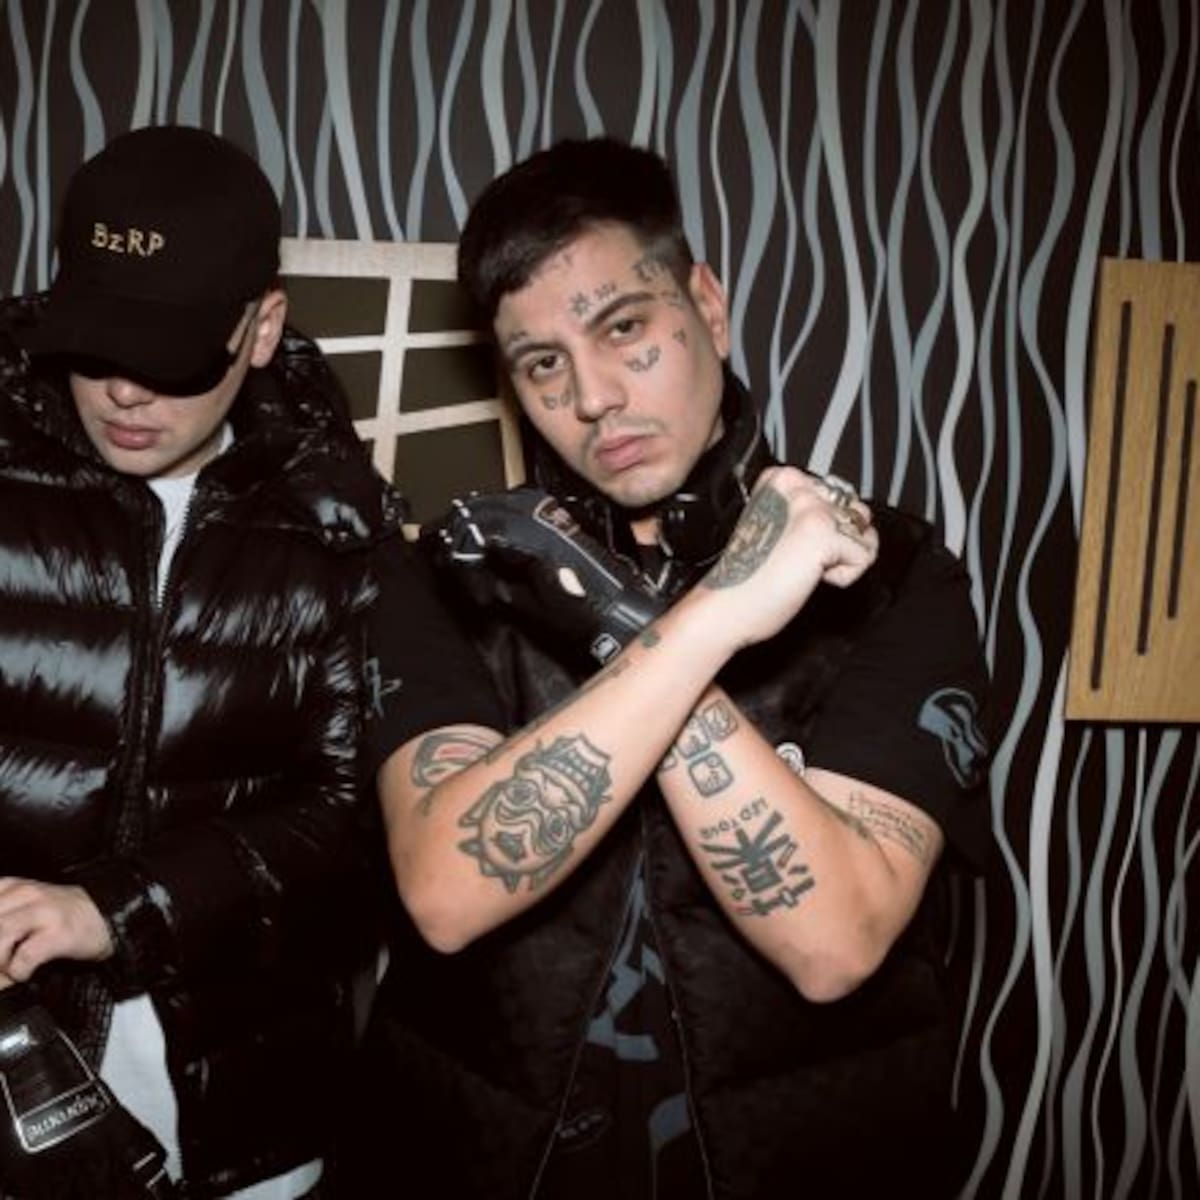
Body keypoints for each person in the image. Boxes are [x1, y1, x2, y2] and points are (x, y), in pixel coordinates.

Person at [346, 136, 994, 1199]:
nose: (593, 397)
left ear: (708, 305)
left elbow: (834, 943)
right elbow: (447, 894)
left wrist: (627, 618)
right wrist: (708, 616)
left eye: (625, 329)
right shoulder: (449, 578)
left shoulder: (891, 574)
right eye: (542, 363)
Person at [0, 125, 406, 1198]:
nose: (123, 393)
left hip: (246, 1108)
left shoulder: (338, 527)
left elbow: (352, 817)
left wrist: (116, 909)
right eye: (96, 343)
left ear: (261, 327)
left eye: (167, 354)